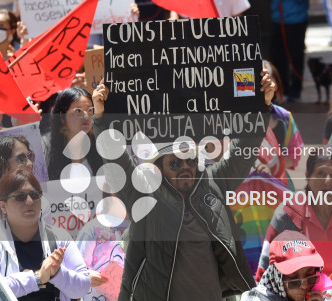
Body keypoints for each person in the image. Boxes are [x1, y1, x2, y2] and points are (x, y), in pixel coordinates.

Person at [90, 70, 276, 300]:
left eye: (191, 160)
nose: (185, 166)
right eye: (175, 162)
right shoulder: (144, 197)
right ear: (158, 167)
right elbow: (116, 160)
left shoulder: (212, 185)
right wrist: (101, 118)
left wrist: (261, 105)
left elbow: (240, 153)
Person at [257, 153, 332, 301]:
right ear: (308, 177)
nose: (328, 181)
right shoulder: (288, 213)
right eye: (321, 173)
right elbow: (265, 272)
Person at [0, 167, 92, 300]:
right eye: (20, 197)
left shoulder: (59, 237)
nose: (30, 201)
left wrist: (57, 273)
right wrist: (37, 278)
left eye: (35, 195)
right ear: (3, 206)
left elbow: (83, 287)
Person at [243, 230, 332, 301]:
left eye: (310, 276)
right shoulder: (255, 299)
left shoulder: (325, 296)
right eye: (294, 280)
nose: (304, 286)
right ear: (276, 278)